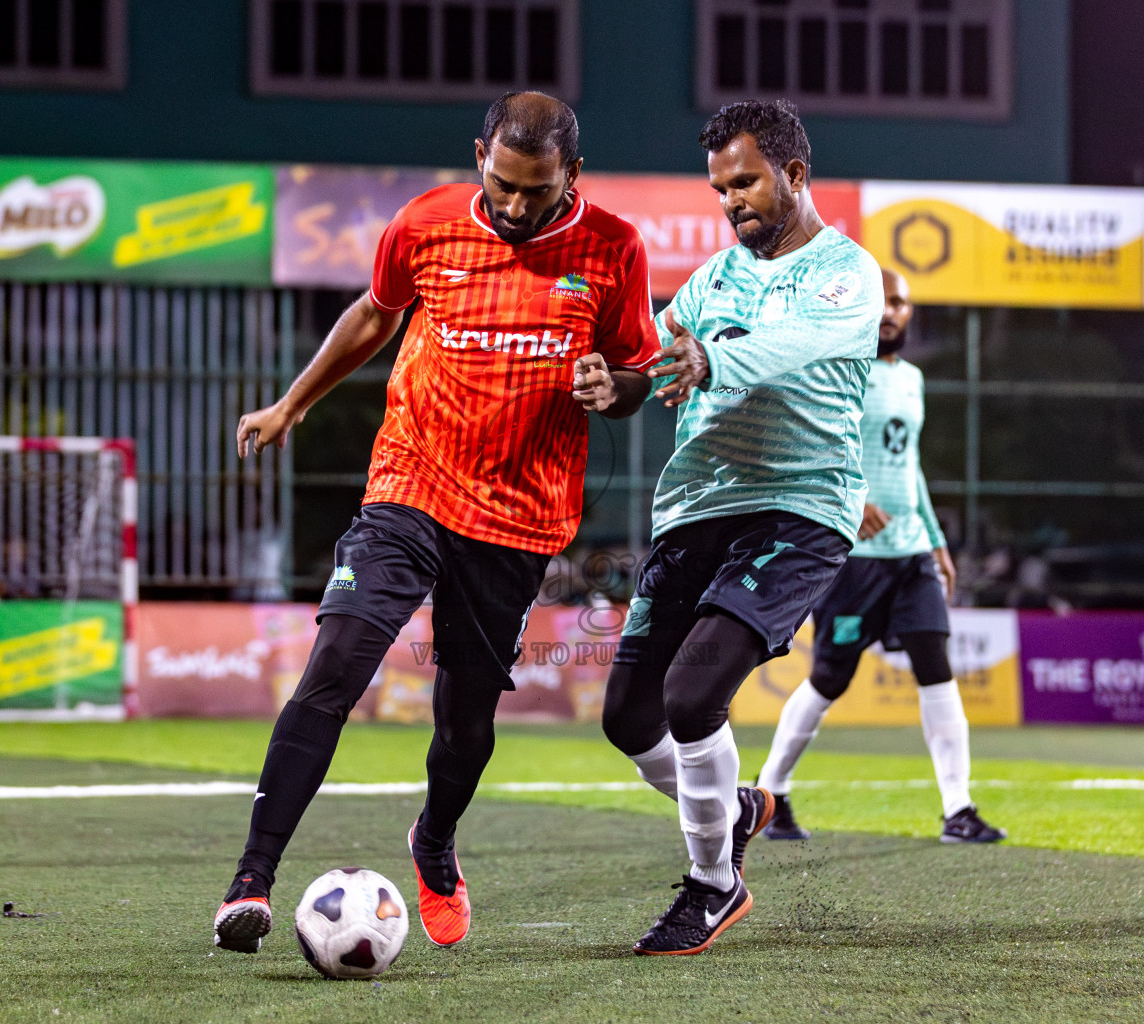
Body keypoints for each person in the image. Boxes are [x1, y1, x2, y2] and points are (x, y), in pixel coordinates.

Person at [213, 92, 661, 955]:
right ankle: (251, 880)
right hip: (410, 482)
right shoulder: (424, 223)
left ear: (574, 174)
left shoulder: (614, 247)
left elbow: (638, 363)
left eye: (538, 190)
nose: (517, 206)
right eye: (502, 184)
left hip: (520, 518)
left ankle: (435, 843)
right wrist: (292, 403)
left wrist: (619, 389)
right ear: (479, 157)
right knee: (337, 661)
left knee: (465, 725)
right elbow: (375, 314)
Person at [600, 100, 883, 956]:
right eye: (721, 187)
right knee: (626, 717)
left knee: (692, 695)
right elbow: (657, 358)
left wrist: (713, 357)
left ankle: (713, 885)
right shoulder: (711, 279)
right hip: (699, 508)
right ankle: (744, 809)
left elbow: (789, 344)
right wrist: (622, 385)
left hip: (799, 507)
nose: (732, 201)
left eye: (747, 181)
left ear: (795, 174)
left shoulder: (847, 273)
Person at [755, 269, 1007, 845]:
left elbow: (909, 463)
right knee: (829, 679)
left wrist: (938, 540)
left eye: (902, 303)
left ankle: (958, 809)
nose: (893, 311)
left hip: (911, 551)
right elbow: (804, 443)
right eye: (885, 301)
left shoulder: (913, 379)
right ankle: (772, 791)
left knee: (935, 669)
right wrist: (853, 494)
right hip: (853, 556)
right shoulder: (838, 371)